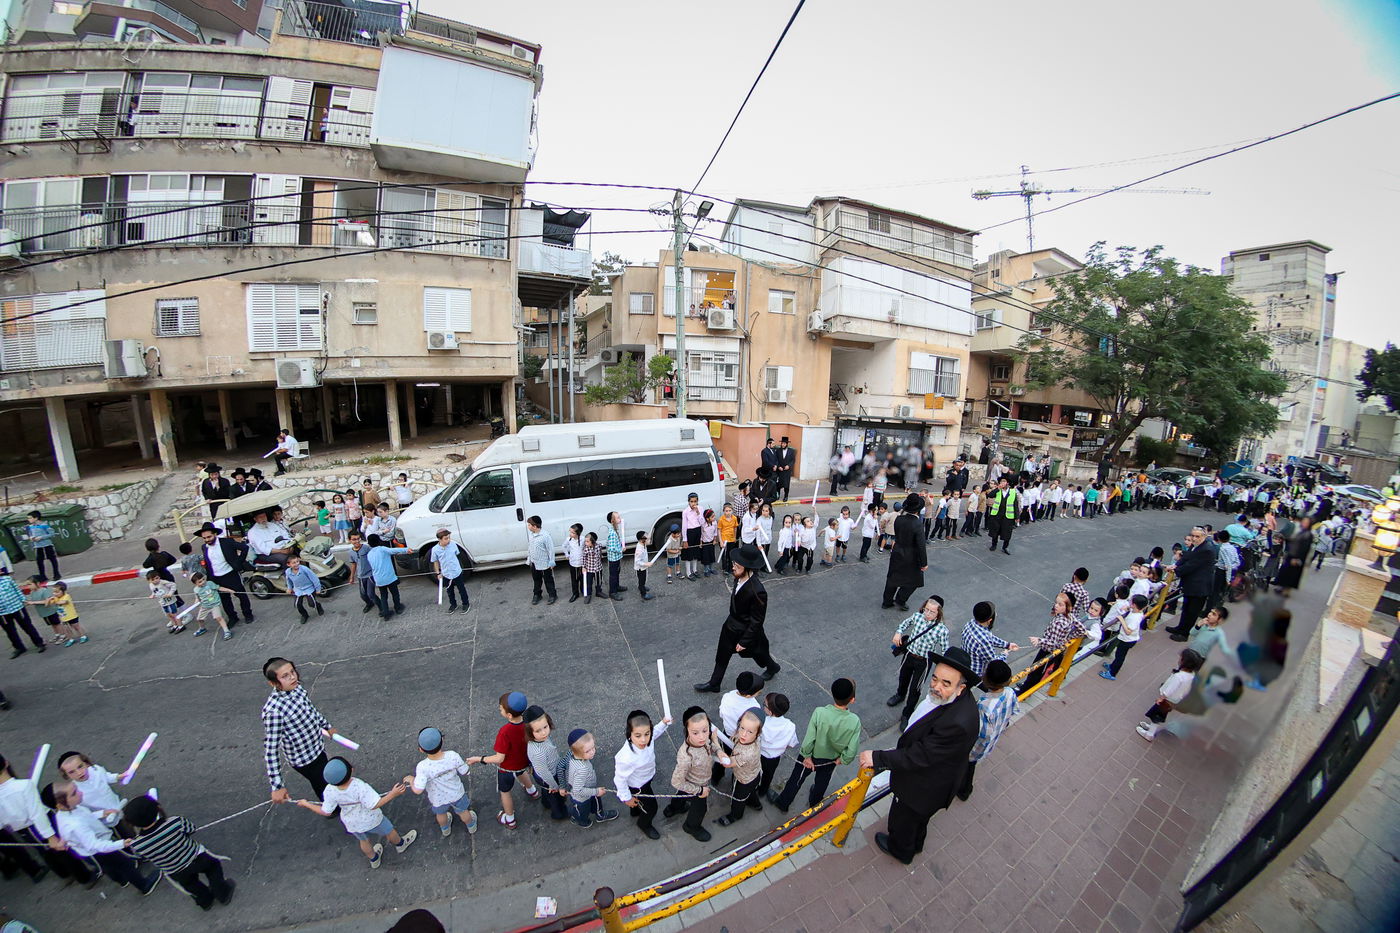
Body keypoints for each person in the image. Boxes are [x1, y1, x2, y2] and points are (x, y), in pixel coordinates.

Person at [860, 645, 980, 865]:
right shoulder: (952, 700)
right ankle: (916, 843)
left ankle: (901, 851)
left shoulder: (957, 722)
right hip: (932, 785)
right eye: (935, 679)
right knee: (918, 821)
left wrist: (877, 758)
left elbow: (919, 755)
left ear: (961, 688)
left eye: (946, 683)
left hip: (922, 787)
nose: (936, 687)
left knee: (902, 820)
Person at [293, 758, 417, 867]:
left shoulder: (329, 790)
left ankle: (373, 859)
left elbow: (326, 811)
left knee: (364, 841)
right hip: (372, 819)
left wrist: (306, 804)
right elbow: (374, 804)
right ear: (351, 770)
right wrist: (393, 794)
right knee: (389, 831)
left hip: (352, 823)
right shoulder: (360, 786)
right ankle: (400, 844)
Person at [42, 781, 158, 894]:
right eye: (74, 793)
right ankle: (144, 885)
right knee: (125, 865)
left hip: (92, 850)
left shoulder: (67, 811)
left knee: (109, 868)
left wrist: (102, 813)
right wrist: (121, 844)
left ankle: (121, 880)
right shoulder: (75, 825)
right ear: (60, 805)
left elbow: (86, 817)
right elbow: (95, 845)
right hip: (99, 849)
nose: (80, 793)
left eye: (76, 788)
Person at [123, 795, 235, 910]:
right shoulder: (175, 822)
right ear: (157, 809)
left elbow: (141, 856)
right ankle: (222, 893)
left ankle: (205, 901)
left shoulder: (137, 844)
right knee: (213, 869)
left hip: (174, 870)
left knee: (191, 885)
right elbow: (191, 829)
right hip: (196, 857)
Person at [694, 543, 777, 692]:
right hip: (730, 626)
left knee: (760, 654)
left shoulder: (758, 591)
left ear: (747, 568)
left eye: (737, 566)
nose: (733, 568)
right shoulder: (738, 577)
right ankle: (714, 683)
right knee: (722, 655)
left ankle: (772, 667)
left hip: (747, 632)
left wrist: (745, 641)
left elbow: (757, 620)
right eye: (734, 564)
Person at [769, 678, 860, 813]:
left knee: (797, 778)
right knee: (822, 782)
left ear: (832, 693)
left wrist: (806, 756)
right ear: (852, 699)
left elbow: (810, 737)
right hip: (831, 759)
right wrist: (843, 759)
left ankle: (784, 802)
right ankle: (815, 802)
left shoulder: (820, 712)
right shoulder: (854, 721)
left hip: (811, 755)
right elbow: (852, 750)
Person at [262, 657, 339, 806]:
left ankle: (334, 802)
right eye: (285, 676)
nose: (292, 677)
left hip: (317, 747)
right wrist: (277, 786)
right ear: (273, 683)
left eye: (292, 672)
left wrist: (327, 727)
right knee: (323, 784)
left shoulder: (297, 688)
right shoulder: (274, 712)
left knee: (326, 779)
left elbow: (311, 711)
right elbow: (271, 751)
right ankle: (332, 809)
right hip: (305, 760)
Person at [467, 691, 538, 830]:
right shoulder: (528, 723)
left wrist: (480, 759)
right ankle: (532, 791)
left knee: (505, 792)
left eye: (501, 709)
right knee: (521, 772)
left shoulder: (505, 731)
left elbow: (499, 757)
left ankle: (509, 818)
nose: (500, 710)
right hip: (523, 762)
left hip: (507, 768)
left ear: (509, 715)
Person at [957, 658, 1018, 801]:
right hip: (994, 737)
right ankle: (965, 788)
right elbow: (1013, 711)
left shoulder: (985, 706)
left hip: (975, 747)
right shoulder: (1010, 692)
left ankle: (964, 790)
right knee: (970, 766)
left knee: (967, 766)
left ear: (986, 679)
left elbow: (981, 734)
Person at [665, 706, 728, 842]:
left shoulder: (705, 739)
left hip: (697, 781)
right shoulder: (686, 756)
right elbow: (676, 782)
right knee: (700, 809)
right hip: (697, 785)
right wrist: (699, 790)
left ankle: (674, 808)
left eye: (705, 730)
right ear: (686, 730)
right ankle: (691, 826)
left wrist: (719, 751)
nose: (701, 737)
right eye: (695, 733)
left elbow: (711, 744)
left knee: (681, 794)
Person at [886, 595, 949, 728]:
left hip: (923, 662)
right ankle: (900, 695)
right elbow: (905, 624)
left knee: (915, 688)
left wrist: (945, 668)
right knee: (903, 678)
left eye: (932, 612)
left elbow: (945, 650)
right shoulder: (917, 617)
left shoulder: (942, 630)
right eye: (926, 610)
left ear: (938, 613)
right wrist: (898, 632)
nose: (927, 614)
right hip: (909, 655)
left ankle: (907, 714)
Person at [405, 727, 476, 838]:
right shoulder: (452, 755)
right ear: (442, 740)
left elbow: (418, 790)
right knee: (463, 812)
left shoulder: (422, 767)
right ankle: (471, 826)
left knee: (441, 814)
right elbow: (465, 771)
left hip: (437, 799)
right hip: (457, 794)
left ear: (421, 750)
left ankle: (445, 829)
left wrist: (412, 780)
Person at [613, 709, 671, 840]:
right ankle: (644, 824)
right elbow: (620, 779)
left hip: (646, 778)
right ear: (629, 734)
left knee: (639, 803)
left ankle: (635, 811)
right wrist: (626, 798)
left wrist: (663, 723)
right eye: (638, 736)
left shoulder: (648, 738)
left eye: (647, 733)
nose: (644, 740)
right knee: (652, 808)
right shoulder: (626, 757)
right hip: (637, 786)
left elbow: (655, 733)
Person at [1137, 649, 1205, 741]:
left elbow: (1170, 689)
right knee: (1160, 715)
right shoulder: (1191, 675)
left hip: (1166, 700)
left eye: (1181, 658)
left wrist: (1161, 698)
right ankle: (1152, 728)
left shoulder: (1179, 676)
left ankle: (1149, 734)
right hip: (1175, 700)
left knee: (1156, 715)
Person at [1164, 527, 1216, 638]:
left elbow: (1192, 565)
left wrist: (1176, 570)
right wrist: (1176, 565)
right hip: (1191, 584)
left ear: (1204, 536)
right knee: (1186, 609)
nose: (1194, 538)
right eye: (1193, 536)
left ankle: (1184, 634)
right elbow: (1186, 557)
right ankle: (1180, 628)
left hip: (1199, 586)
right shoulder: (1195, 546)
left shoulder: (1206, 549)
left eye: (1197, 536)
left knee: (1192, 612)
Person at [715, 710, 765, 826]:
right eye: (742, 728)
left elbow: (727, 763)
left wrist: (715, 743)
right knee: (750, 791)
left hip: (743, 780)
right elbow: (737, 737)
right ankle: (755, 804)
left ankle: (735, 815)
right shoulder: (751, 739)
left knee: (738, 798)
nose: (743, 734)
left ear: (757, 733)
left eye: (749, 731)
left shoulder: (747, 753)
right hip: (754, 775)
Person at [881, 493, 927, 611]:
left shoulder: (899, 519)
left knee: (893, 578)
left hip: (897, 551)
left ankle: (887, 601)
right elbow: (921, 546)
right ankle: (901, 599)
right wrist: (924, 563)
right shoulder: (917, 524)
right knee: (914, 580)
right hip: (911, 556)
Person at [563, 730, 618, 828]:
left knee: (596, 802)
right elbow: (578, 790)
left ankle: (599, 815)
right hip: (582, 798)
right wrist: (596, 791)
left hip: (590, 789)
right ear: (576, 751)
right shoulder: (582, 769)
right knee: (582, 811)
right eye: (588, 751)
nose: (593, 751)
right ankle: (581, 821)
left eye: (593, 747)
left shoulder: (572, 757)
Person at [524, 707, 569, 822]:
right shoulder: (538, 752)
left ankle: (546, 802)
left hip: (547, 772)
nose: (544, 732)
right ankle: (558, 813)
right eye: (538, 731)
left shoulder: (541, 739)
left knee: (546, 792)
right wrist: (554, 786)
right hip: (548, 776)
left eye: (545, 727)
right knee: (555, 796)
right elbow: (544, 772)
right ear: (530, 732)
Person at [961, 600, 1018, 677]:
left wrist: (1007, 645)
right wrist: (1004, 654)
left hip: (965, 662)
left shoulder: (970, 623)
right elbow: (993, 662)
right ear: (989, 621)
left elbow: (989, 637)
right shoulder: (983, 642)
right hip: (976, 673)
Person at [1099, 594, 1149, 681]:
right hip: (1128, 639)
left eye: (1131, 602)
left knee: (1120, 656)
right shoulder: (1138, 612)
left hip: (1127, 640)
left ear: (1134, 605)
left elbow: (1128, 631)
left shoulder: (1135, 618)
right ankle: (1112, 666)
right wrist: (1128, 609)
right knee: (1119, 655)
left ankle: (1112, 673)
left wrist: (1122, 620)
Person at [0, 573, 46, 659]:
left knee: (27, 626)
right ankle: (19, 648)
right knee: (10, 631)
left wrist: (23, 600)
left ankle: (39, 643)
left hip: (17, 607)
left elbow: (17, 590)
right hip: (2, 613)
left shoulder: (7, 579)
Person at [430, 529, 470, 614]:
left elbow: (457, 555)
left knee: (462, 589)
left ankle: (466, 604)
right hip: (446, 574)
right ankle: (453, 605)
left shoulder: (453, 545)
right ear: (439, 539)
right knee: (449, 591)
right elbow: (435, 561)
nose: (448, 540)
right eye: (446, 538)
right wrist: (438, 572)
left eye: (448, 538)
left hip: (456, 571)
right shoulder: (435, 549)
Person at [189, 572, 234, 639]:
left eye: (203, 579)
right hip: (205, 606)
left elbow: (219, 588)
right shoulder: (196, 590)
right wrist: (196, 602)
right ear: (195, 583)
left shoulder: (210, 583)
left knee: (218, 617)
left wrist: (228, 590)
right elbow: (197, 598)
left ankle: (227, 631)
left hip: (214, 605)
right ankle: (202, 628)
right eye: (200, 582)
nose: (203, 582)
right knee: (199, 619)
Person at [284, 553, 325, 623]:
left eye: (297, 561)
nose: (296, 564)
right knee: (297, 605)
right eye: (294, 563)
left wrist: (318, 589)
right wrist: (289, 588)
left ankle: (318, 606)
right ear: (288, 565)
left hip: (309, 588)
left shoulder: (304, 569)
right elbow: (289, 581)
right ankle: (304, 615)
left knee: (311, 604)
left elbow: (314, 578)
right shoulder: (287, 572)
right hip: (298, 589)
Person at [526, 516, 557, 606]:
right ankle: (537, 594)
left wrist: (552, 561)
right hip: (534, 562)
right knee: (536, 579)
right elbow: (530, 548)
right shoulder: (531, 535)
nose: (528, 526)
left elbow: (550, 549)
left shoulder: (545, 536)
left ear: (535, 526)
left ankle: (552, 595)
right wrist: (529, 559)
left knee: (548, 580)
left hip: (545, 563)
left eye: (529, 525)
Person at [345, 530, 377, 614]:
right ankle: (369, 604)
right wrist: (352, 577)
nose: (357, 541)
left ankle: (382, 607)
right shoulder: (351, 552)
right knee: (363, 595)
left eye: (358, 539)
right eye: (354, 539)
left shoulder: (366, 548)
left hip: (370, 574)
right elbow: (353, 565)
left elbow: (375, 556)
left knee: (371, 594)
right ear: (350, 540)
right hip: (360, 576)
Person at [22, 511, 60, 581]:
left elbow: (52, 534)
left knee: (52, 559)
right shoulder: (30, 527)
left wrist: (41, 537)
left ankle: (56, 574)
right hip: (37, 546)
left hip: (47, 545)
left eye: (30, 518)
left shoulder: (44, 525)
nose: (28, 520)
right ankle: (42, 576)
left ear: (36, 518)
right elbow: (29, 534)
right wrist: (31, 538)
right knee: (39, 561)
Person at [985, 477, 1019, 554]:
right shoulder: (998, 491)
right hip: (997, 514)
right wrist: (998, 488)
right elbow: (990, 495)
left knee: (1007, 532)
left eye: (1004, 481)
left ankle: (1005, 547)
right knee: (995, 531)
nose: (1002, 483)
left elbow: (1015, 505)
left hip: (1008, 516)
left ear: (1007, 483)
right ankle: (994, 545)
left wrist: (1017, 517)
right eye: (1001, 482)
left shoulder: (1013, 492)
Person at [147, 568, 185, 634]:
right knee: (168, 614)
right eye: (153, 580)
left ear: (159, 577)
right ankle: (175, 625)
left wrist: (170, 593)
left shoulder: (163, 582)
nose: (155, 580)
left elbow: (173, 585)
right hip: (163, 602)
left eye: (157, 578)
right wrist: (153, 595)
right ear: (149, 580)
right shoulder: (151, 585)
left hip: (170, 601)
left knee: (174, 614)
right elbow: (155, 591)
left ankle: (180, 626)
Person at [606, 511, 628, 596]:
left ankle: (617, 586)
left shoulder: (615, 530)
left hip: (616, 557)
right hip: (613, 559)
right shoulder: (612, 533)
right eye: (618, 517)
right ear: (612, 521)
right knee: (613, 575)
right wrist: (621, 550)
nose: (620, 518)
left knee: (617, 572)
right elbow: (611, 548)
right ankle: (612, 591)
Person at [634, 531, 657, 600]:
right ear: (642, 540)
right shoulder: (639, 549)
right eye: (647, 539)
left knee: (643, 579)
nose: (649, 540)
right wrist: (646, 564)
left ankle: (641, 587)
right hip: (640, 568)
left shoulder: (643, 544)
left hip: (643, 567)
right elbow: (637, 561)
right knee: (642, 580)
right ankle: (643, 594)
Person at [773, 436, 796, 501]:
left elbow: (793, 460)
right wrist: (778, 466)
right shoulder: (778, 451)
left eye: (784, 443)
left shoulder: (791, 451)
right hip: (779, 470)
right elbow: (776, 459)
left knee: (786, 484)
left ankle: (786, 496)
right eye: (782, 443)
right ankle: (778, 495)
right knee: (778, 484)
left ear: (786, 444)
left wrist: (789, 466)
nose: (782, 445)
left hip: (787, 471)